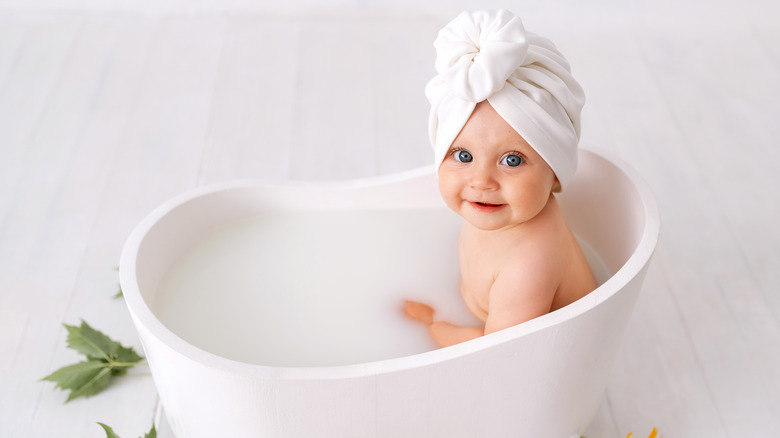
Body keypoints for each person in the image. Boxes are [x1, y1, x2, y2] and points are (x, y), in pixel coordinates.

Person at [404, 9, 596, 348]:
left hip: (548, 352)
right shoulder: (495, 206)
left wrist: (435, 327)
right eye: (463, 156)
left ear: (554, 173)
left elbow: (499, 353)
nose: (481, 180)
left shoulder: (529, 266)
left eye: (511, 160)